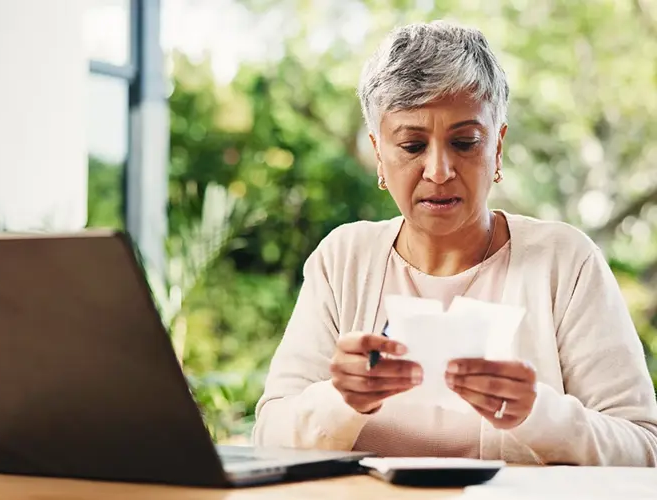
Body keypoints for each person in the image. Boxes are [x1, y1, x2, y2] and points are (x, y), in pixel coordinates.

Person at [251, 20, 657, 466]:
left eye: (465, 142)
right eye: (411, 146)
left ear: (497, 148)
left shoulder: (565, 262)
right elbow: (269, 437)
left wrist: (538, 413)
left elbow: (644, 449)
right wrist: (341, 399)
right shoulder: (343, 259)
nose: (439, 170)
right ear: (378, 154)